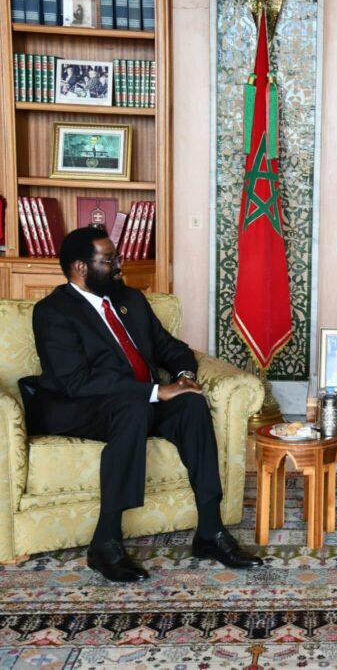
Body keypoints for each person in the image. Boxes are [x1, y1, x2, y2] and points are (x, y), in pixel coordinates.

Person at [18, 227, 262, 583]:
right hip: (81, 406)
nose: (120, 264)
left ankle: (210, 530)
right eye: (110, 260)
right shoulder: (53, 312)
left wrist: (183, 376)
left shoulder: (129, 299)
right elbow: (76, 381)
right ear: (80, 268)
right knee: (133, 409)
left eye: (117, 257)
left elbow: (171, 347)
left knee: (192, 405)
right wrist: (154, 391)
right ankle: (105, 542)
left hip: (137, 400)